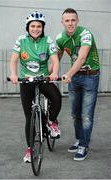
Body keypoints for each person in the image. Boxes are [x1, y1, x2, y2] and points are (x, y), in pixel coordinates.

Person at [9, 11, 62, 163]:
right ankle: (30, 149)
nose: (36, 29)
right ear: (28, 27)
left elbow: (55, 60)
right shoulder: (21, 40)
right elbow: (13, 60)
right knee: (29, 118)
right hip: (26, 81)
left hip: (43, 79)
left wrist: (55, 73)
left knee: (57, 98)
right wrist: (13, 74)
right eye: (33, 26)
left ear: (42, 27)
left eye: (39, 26)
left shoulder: (48, 41)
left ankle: (51, 122)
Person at [56, 8, 100, 161]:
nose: (70, 23)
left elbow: (81, 58)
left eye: (73, 20)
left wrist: (68, 74)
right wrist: (49, 74)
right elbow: (56, 60)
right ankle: (79, 139)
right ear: (62, 22)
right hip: (75, 78)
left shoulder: (85, 34)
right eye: (67, 20)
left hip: (90, 77)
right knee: (75, 114)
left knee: (86, 115)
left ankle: (84, 145)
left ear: (77, 21)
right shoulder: (60, 38)